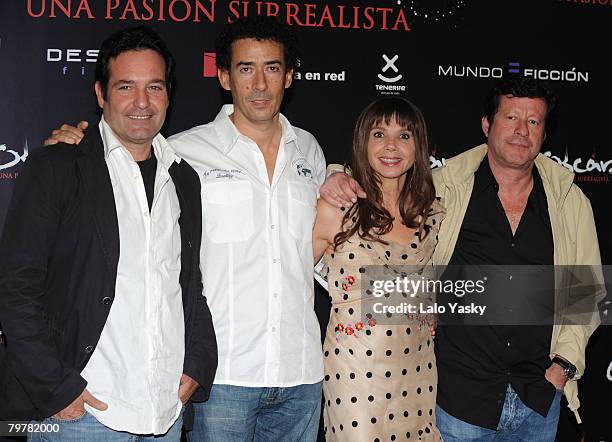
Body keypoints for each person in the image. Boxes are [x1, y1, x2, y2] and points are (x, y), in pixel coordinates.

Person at [41, 16, 326, 441]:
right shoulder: (182, 153)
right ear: (225, 77)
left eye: (273, 67)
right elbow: (118, 152)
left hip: (302, 373)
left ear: (289, 76)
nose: (261, 84)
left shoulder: (310, 150)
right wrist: (71, 146)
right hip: (223, 375)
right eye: (247, 68)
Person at [320, 78, 603, 441]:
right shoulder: (442, 189)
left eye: (533, 122)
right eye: (511, 117)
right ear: (487, 125)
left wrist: (563, 366)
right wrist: (335, 174)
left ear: (544, 134)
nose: (521, 130)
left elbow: (586, 293)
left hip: (537, 399)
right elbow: (380, 182)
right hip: (458, 399)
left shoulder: (570, 201)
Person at [0, 26, 217, 441]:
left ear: (169, 94)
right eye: (125, 87)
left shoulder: (184, 178)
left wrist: (198, 363)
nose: (141, 102)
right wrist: (57, 388)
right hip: (83, 416)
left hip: (165, 411)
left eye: (154, 86)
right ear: (101, 94)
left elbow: (189, 283)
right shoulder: (58, 168)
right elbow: (16, 287)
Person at [313, 97, 443, 441]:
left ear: (419, 147)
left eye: (404, 136)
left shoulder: (430, 214)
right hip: (355, 376)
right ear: (363, 142)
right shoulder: (336, 207)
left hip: (416, 369)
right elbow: (288, 280)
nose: (391, 146)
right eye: (379, 134)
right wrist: (334, 171)